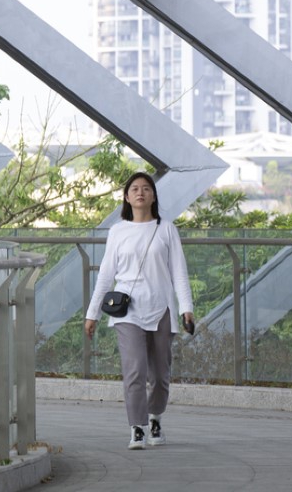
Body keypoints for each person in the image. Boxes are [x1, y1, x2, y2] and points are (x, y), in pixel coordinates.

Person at [83, 172, 194, 450]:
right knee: (134, 370)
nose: (140, 192)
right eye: (134, 188)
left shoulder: (166, 229)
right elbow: (106, 275)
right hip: (127, 311)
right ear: (126, 196)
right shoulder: (118, 231)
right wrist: (92, 312)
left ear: (154, 196)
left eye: (146, 188)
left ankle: (155, 418)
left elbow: (179, 272)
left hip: (162, 308)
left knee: (160, 375)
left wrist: (187, 308)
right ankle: (137, 428)